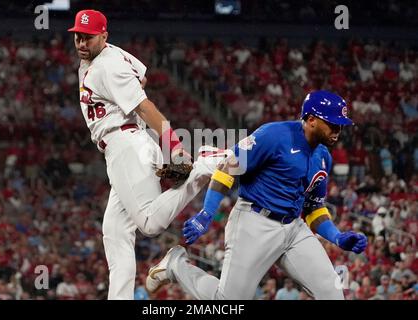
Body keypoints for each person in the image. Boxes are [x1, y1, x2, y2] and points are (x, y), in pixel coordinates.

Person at [67, 9, 228, 299]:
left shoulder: (107, 66)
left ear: (103, 35)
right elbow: (142, 75)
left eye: (88, 37)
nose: (81, 42)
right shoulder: (111, 55)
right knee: (115, 232)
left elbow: (144, 106)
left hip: (125, 144)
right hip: (128, 142)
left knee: (150, 223)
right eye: (78, 35)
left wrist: (175, 146)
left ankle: (204, 164)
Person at [146, 90, 368, 300]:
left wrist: (337, 237)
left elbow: (314, 208)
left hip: (293, 228)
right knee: (228, 301)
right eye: (332, 123)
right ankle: (175, 265)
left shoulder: (323, 156)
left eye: (340, 125)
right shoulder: (274, 135)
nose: (338, 130)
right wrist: (206, 213)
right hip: (254, 222)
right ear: (311, 119)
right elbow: (228, 168)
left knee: (333, 293)